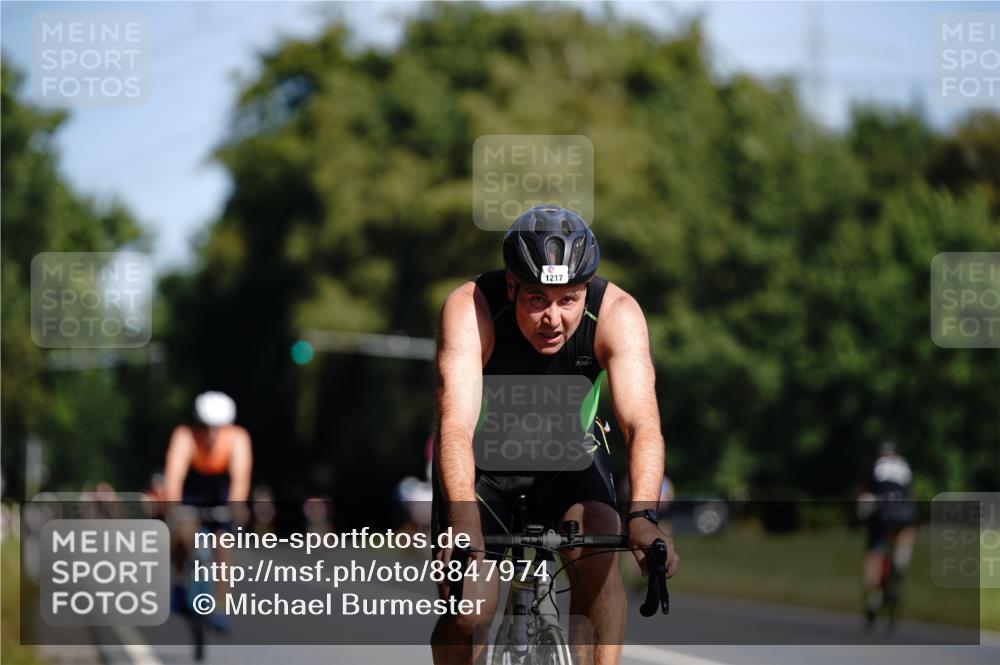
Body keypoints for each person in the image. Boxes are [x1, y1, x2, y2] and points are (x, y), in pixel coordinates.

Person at [431, 205, 678, 665]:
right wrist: (463, 523)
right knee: (469, 607)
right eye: (537, 299)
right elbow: (455, 427)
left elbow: (642, 424)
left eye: (568, 299)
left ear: (586, 290)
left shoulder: (617, 313)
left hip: (570, 458)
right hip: (483, 466)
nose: (554, 318)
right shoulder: (471, 309)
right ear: (511, 286)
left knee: (603, 540)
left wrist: (643, 515)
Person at [163, 391, 253, 630]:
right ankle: (181, 583)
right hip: (193, 490)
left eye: (218, 427)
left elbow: (240, 476)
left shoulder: (237, 438)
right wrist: (173, 505)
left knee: (223, 543)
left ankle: (220, 604)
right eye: (206, 426)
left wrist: (236, 505)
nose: (211, 433)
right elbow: (174, 474)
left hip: (220, 491)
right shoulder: (185, 436)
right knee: (184, 533)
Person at [858, 440, 915, 629]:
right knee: (906, 528)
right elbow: (909, 493)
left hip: (882, 513)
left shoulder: (875, 466)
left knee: (874, 552)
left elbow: (864, 495)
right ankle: (902, 556)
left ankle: (873, 596)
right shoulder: (904, 466)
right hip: (903, 511)